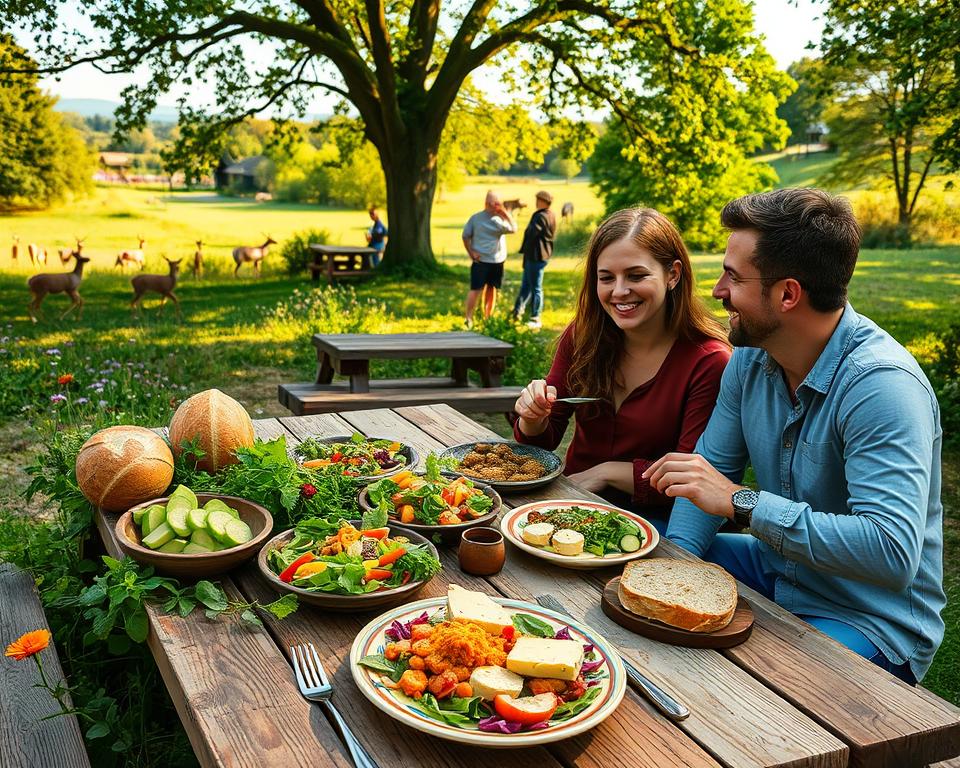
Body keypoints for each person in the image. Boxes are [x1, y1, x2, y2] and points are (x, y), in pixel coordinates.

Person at [644, 188, 945, 684]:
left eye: (734, 277)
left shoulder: (882, 387)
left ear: (787, 294)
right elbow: (710, 474)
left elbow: (891, 551)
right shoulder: (750, 357)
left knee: (748, 700)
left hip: (868, 615)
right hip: (777, 567)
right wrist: (674, 571)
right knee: (632, 566)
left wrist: (743, 502)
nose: (717, 289)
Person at [512, 208, 731, 530]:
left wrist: (606, 472)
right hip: (575, 508)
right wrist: (533, 418)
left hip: (661, 525)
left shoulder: (708, 360)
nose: (619, 291)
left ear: (673, 274)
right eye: (606, 278)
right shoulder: (583, 335)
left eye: (636, 275)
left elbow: (693, 479)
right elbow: (541, 442)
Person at [462, 191, 516, 327]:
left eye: (499, 204)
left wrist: (505, 214)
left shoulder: (499, 220)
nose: (497, 206)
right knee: (476, 289)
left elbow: (514, 229)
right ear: (487, 203)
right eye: (495, 204)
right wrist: (471, 253)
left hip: (498, 261)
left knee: (492, 289)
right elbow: (465, 236)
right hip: (480, 261)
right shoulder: (476, 218)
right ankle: (468, 318)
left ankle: (488, 317)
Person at [512, 190, 557, 329]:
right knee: (526, 285)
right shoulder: (550, 215)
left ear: (545, 202)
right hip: (539, 256)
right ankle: (517, 311)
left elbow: (532, 235)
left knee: (536, 288)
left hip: (536, 256)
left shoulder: (540, 216)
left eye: (538, 199)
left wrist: (525, 250)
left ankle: (535, 317)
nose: (536, 202)